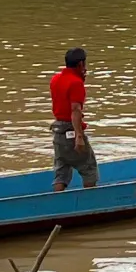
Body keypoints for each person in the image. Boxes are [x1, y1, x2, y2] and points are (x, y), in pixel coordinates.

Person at [50, 47, 98, 191]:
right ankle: (90, 201)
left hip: (58, 132)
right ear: (80, 65)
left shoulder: (55, 79)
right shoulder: (76, 83)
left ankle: (58, 203)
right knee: (89, 169)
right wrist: (79, 136)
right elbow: (75, 109)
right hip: (71, 130)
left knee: (61, 171)